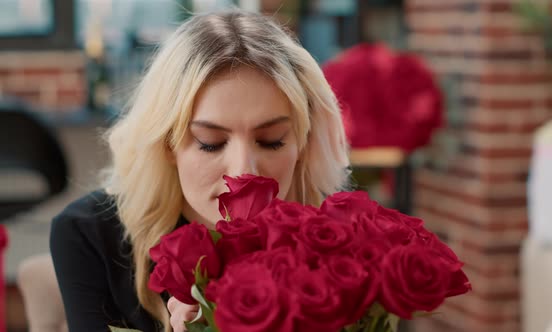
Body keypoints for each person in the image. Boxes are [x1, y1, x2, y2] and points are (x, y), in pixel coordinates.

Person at [50, 9, 350, 332]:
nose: (243, 173)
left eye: (271, 141)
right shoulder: (89, 236)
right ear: (167, 144)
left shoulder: (336, 240)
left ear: (302, 143)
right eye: (210, 143)